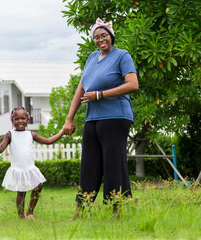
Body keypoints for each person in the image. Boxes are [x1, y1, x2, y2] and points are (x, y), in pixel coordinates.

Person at [63, 18, 139, 218]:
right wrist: (69, 119)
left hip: (116, 116)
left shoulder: (122, 56)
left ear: (111, 36)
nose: (100, 40)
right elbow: (81, 89)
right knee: (89, 166)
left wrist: (100, 94)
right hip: (92, 118)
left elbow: (133, 84)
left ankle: (117, 212)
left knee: (113, 165)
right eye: (96, 37)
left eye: (103, 35)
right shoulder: (91, 58)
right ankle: (79, 213)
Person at [0, 106, 64, 219]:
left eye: (23, 118)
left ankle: (30, 212)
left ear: (28, 120)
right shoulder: (10, 134)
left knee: (38, 185)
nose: (20, 121)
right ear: (12, 120)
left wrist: (62, 132)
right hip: (18, 168)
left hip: (30, 168)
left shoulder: (31, 134)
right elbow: (0, 149)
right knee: (21, 192)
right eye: (17, 119)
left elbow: (48, 141)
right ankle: (21, 216)